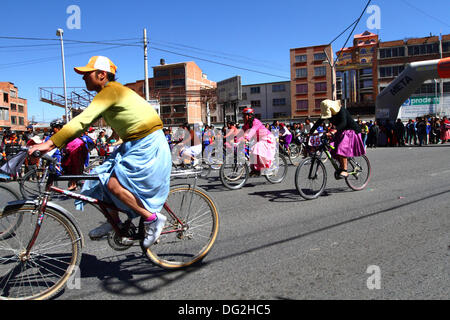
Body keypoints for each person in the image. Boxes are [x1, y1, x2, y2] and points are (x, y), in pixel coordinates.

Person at [28, 55, 171, 247]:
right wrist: (113, 141)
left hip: (147, 143)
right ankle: (115, 222)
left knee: (112, 184)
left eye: (87, 74)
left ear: (102, 75)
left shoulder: (110, 91)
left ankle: (152, 219)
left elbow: (81, 121)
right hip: (133, 143)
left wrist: (49, 144)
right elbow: (121, 122)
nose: (83, 78)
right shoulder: (110, 93)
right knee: (98, 179)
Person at [309, 99, 365, 178]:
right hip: (340, 132)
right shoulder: (328, 114)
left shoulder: (341, 110)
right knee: (333, 149)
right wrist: (310, 132)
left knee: (341, 148)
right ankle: (342, 166)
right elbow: (319, 121)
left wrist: (333, 131)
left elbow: (343, 123)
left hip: (351, 131)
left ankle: (344, 170)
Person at [240, 107, 276, 176]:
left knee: (256, 148)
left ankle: (268, 168)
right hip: (259, 140)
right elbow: (241, 133)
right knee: (252, 152)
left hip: (267, 138)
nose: (243, 118)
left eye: (244, 116)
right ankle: (256, 170)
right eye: (243, 116)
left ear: (250, 116)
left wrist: (246, 138)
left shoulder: (256, 122)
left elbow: (251, 132)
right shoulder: (246, 124)